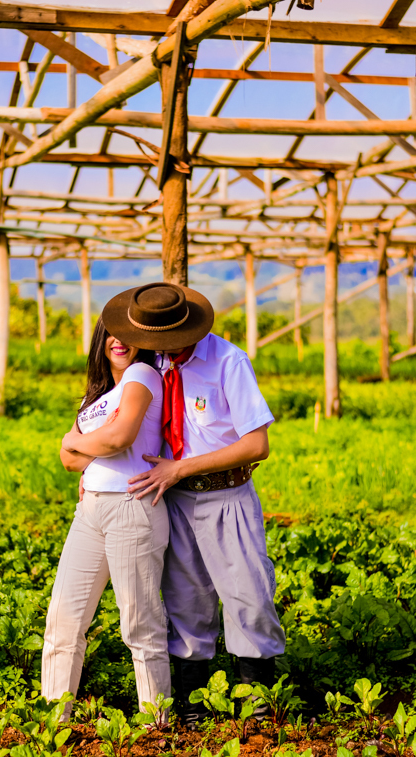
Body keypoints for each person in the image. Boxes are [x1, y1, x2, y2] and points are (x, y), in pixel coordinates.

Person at [104, 281, 286, 728]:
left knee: (248, 596)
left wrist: (180, 469)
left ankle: (257, 705)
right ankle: (191, 706)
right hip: (173, 500)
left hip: (226, 495)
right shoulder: (153, 362)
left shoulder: (228, 362)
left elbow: (257, 444)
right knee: (185, 601)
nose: (157, 348)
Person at [41, 302, 171, 720]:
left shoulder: (143, 375)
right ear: (101, 338)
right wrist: (91, 442)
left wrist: (80, 440)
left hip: (132, 508)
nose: (119, 341)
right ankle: (54, 720)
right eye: (112, 333)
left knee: (140, 624)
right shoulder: (95, 396)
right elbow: (68, 461)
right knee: (63, 620)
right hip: (90, 511)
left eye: (129, 335)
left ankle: (156, 723)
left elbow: (118, 438)